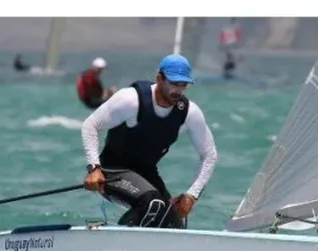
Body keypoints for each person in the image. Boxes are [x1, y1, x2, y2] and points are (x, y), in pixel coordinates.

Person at [81, 53, 218, 230]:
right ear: (160, 78)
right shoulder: (131, 99)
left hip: (146, 173)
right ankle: (117, 240)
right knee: (153, 204)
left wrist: (192, 195)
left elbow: (209, 155)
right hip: (111, 171)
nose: (178, 90)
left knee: (174, 221)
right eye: (174, 83)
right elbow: (90, 125)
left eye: (183, 85)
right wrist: (94, 168)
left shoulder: (189, 112)